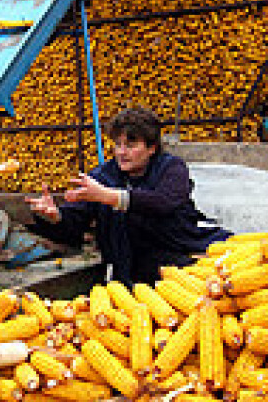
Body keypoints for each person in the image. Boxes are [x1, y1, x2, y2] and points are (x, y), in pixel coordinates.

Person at [25, 107, 232, 285]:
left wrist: (110, 197)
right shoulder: (102, 177)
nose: (121, 152)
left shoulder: (171, 168)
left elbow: (163, 202)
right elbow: (77, 220)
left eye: (131, 145)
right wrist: (55, 216)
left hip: (181, 261)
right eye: (118, 144)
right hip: (128, 271)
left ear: (151, 148)